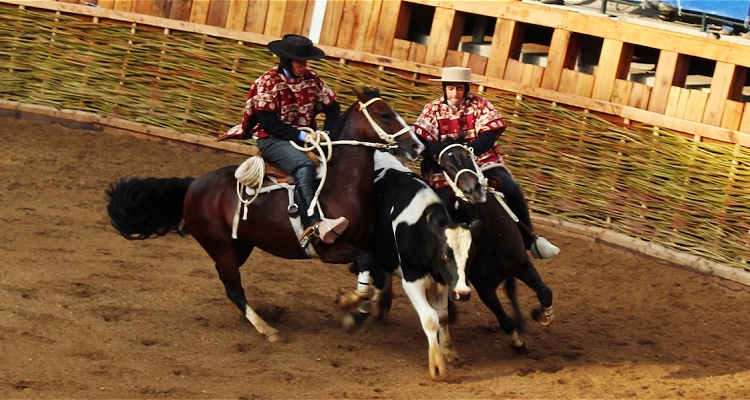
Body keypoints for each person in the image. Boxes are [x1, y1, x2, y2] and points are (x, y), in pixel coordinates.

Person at [413, 67, 560, 259]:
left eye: (459, 88)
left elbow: (489, 135)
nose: (454, 93)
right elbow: (422, 139)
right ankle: (438, 248)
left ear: (466, 88)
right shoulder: (432, 109)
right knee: (443, 203)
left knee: (512, 189)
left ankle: (529, 238)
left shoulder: (480, 105)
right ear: (444, 88)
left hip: (480, 162)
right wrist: (437, 157)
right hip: (445, 169)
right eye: (450, 88)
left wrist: (468, 152)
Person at [219, 34, 347, 244]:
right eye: (300, 62)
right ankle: (313, 224)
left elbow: (333, 107)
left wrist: (329, 134)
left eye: (306, 61)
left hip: (307, 138)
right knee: (304, 166)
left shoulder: (312, 79)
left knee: (340, 162)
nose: (305, 66)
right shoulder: (267, 82)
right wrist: (301, 135)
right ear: (287, 60)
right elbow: (268, 123)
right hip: (272, 139)